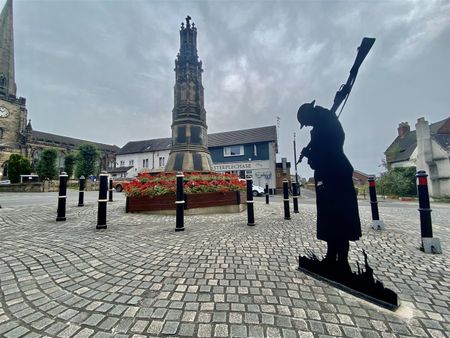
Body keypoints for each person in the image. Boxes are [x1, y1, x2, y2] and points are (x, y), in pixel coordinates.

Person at [297, 100, 361, 271]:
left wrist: (313, 154)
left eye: (306, 122)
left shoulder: (327, 121)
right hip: (327, 175)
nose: (308, 125)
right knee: (329, 219)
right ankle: (331, 257)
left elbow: (332, 146)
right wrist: (312, 154)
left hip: (335, 175)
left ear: (309, 115)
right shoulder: (321, 124)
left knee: (339, 218)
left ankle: (342, 261)